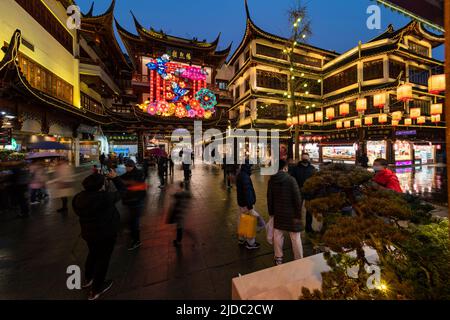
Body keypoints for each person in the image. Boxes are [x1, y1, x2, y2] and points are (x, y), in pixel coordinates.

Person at [72, 173, 124, 300]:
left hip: (88, 233)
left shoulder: (78, 197)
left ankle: (88, 278)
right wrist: (116, 178)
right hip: (105, 234)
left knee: (93, 254)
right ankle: (96, 289)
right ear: (101, 186)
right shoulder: (104, 197)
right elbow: (123, 191)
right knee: (103, 260)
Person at [267, 160, 303, 265]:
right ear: (285, 168)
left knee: (278, 235)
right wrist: (298, 215)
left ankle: (278, 257)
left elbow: (269, 198)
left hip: (278, 213)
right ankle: (298, 258)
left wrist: (271, 213)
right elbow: (297, 199)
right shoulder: (291, 180)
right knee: (295, 237)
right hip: (292, 214)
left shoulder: (272, 180)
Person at [109, 159, 146, 250]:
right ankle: (132, 234)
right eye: (126, 166)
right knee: (131, 220)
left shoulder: (138, 174)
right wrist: (114, 177)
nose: (126, 168)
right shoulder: (129, 174)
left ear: (132, 166)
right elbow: (121, 183)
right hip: (130, 201)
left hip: (136, 201)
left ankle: (136, 240)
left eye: (127, 166)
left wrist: (115, 178)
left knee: (134, 222)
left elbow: (126, 186)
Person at [236, 162, 263, 250]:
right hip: (247, 204)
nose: (252, 170)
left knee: (243, 221)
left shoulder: (241, 175)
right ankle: (250, 243)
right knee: (250, 223)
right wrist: (250, 206)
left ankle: (241, 239)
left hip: (242, 203)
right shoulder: (245, 177)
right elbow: (247, 192)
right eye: (251, 168)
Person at [291, 153, 316, 233]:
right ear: (301, 158)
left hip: (309, 192)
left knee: (309, 211)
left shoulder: (312, 168)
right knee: (297, 210)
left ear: (308, 159)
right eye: (304, 158)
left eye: (306, 158)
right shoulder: (295, 168)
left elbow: (315, 180)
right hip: (298, 191)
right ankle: (296, 226)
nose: (305, 159)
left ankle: (309, 227)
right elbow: (292, 180)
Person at [167, 181, 192, 247]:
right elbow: (189, 195)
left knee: (179, 227)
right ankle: (178, 239)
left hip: (179, 213)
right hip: (182, 212)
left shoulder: (179, 194)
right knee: (179, 226)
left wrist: (171, 189)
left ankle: (178, 242)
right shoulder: (185, 193)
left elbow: (172, 194)